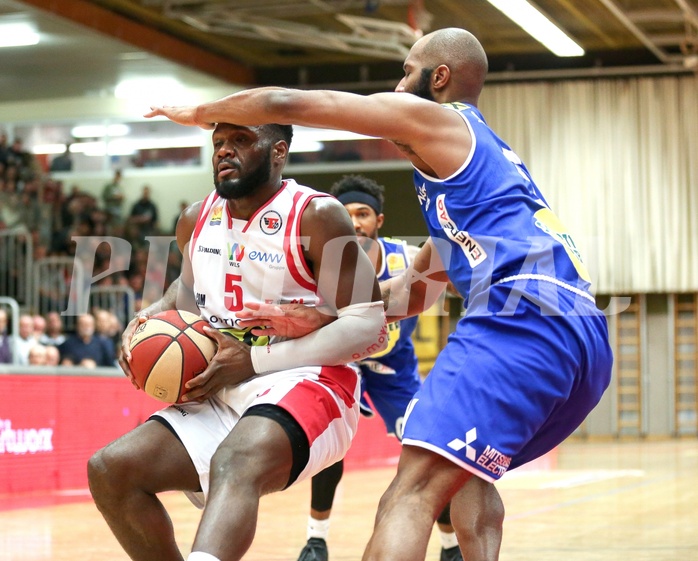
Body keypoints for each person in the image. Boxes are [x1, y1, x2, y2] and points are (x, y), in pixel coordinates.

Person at [146, 27, 614, 561]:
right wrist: (319, 315)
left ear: (438, 79)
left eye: (406, 72)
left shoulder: (446, 118)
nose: (396, 86)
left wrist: (197, 113)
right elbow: (412, 294)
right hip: (583, 335)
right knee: (466, 473)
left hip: (523, 316)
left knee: (408, 494)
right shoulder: (475, 181)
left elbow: (283, 102)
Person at [87, 121, 387, 561]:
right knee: (111, 470)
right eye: (219, 143)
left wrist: (255, 360)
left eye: (241, 141)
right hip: (220, 384)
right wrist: (147, 322)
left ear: (278, 151)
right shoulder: (196, 217)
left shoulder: (316, 215)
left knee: (234, 461)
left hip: (308, 379)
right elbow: (185, 296)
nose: (225, 151)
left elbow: (369, 327)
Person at [296, 174, 460, 561]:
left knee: (425, 448)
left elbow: (452, 280)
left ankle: (451, 545)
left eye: (364, 214)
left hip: (394, 368)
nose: (354, 222)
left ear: (379, 221)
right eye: (346, 214)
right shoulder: (315, 264)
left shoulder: (407, 257)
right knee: (328, 449)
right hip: (339, 363)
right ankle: (315, 541)